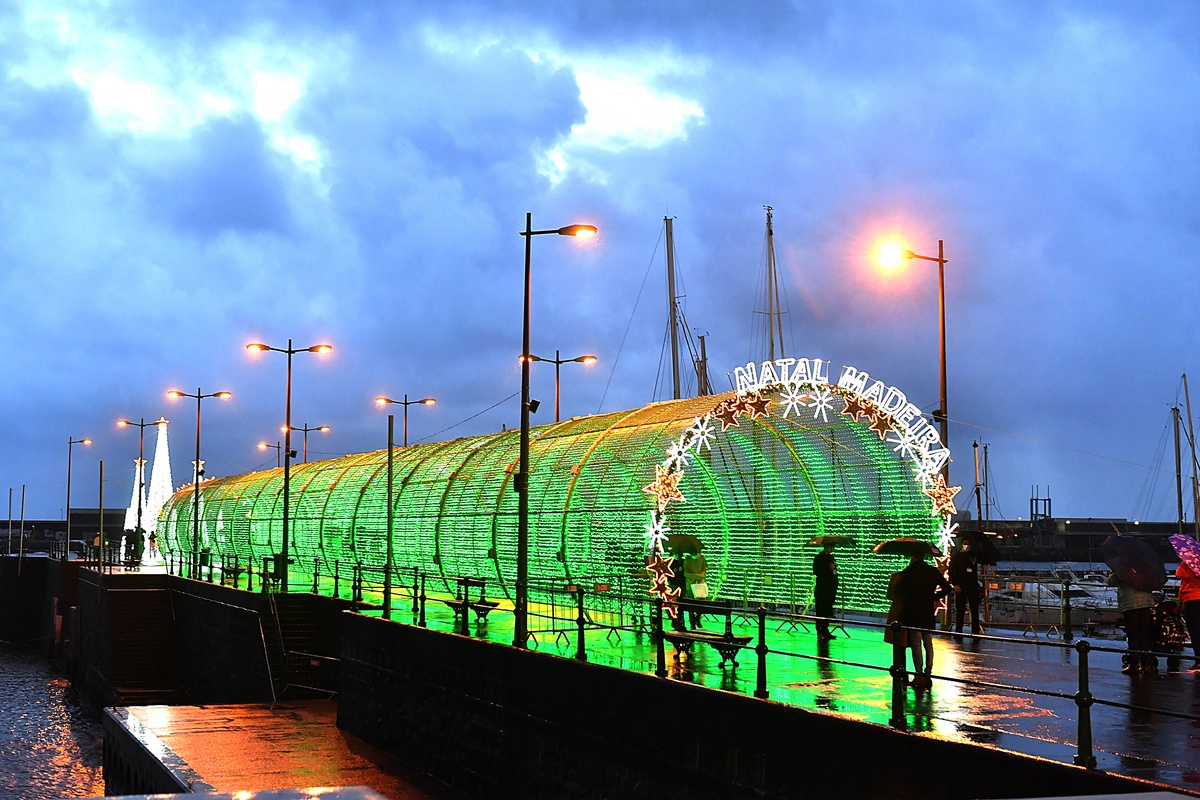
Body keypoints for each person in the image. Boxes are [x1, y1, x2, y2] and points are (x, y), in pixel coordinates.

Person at [888, 551, 953, 690]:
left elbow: (900, 593)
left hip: (913, 611)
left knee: (916, 643)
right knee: (928, 642)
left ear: (913, 556)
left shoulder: (909, 572)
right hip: (928, 610)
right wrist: (935, 597)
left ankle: (919, 674)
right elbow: (947, 588)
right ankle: (928, 673)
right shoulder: (932, 571)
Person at [1108, 573, 1157, 674]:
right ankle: (1146, 664)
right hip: (1147, 601)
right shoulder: (1146, 567)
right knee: (1143, 634)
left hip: (1130, 603)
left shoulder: (1123, 567)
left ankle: (1133, 664)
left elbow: (1112, 582)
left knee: (1133, 634)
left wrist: (1114, 574)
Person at [948, 538, 982, 635]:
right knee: (960, 609)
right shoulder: (956, 557)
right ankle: (959, 631)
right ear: (962, 544)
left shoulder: (974, 556)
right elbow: (951, 572)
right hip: (961, 586)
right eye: (965, 544)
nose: (967, 546)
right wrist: (955, 584)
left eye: (969, 544)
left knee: (974, 609)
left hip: (972, 586)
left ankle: (975, 631)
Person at [1176, 561, 1200, 673]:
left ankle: (1198, 660)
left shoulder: (1190, 562)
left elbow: (1180, 573)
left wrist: (1185, 563)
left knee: (1195, 629)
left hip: (1192, 598)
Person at [813, 542, 838, 640]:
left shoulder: (831, 558)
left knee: (827, 610)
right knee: (821, 610)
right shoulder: (819, 558)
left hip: (830, 588)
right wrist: (828, 568)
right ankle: (820, 631)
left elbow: (834, 570)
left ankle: (825, 630)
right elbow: (816, 571)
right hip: (822, 588)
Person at [683, 546, 709, 629]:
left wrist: (695, 576)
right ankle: (693, 622)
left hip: (697, 585)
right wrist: (699, 576)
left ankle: (695, 619)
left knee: (701, 604)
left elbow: (704, 570)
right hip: (692, 585)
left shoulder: (701, 558)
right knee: (693, 604)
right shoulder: (687, 560)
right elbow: (686, 573)